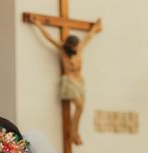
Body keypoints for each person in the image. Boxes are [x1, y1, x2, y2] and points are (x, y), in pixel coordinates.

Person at [31, 17, 102, 145]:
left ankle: (75, 131)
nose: (75, 49)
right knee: (79, 105)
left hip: (80, 82)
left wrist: (95, 27)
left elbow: (89, 37)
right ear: (69, 45)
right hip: (69, 82)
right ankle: (73, 133)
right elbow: (49, 37)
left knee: (81, 107)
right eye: (73, 47)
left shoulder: (79, 48)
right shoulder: (62, 49)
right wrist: (38, 24)